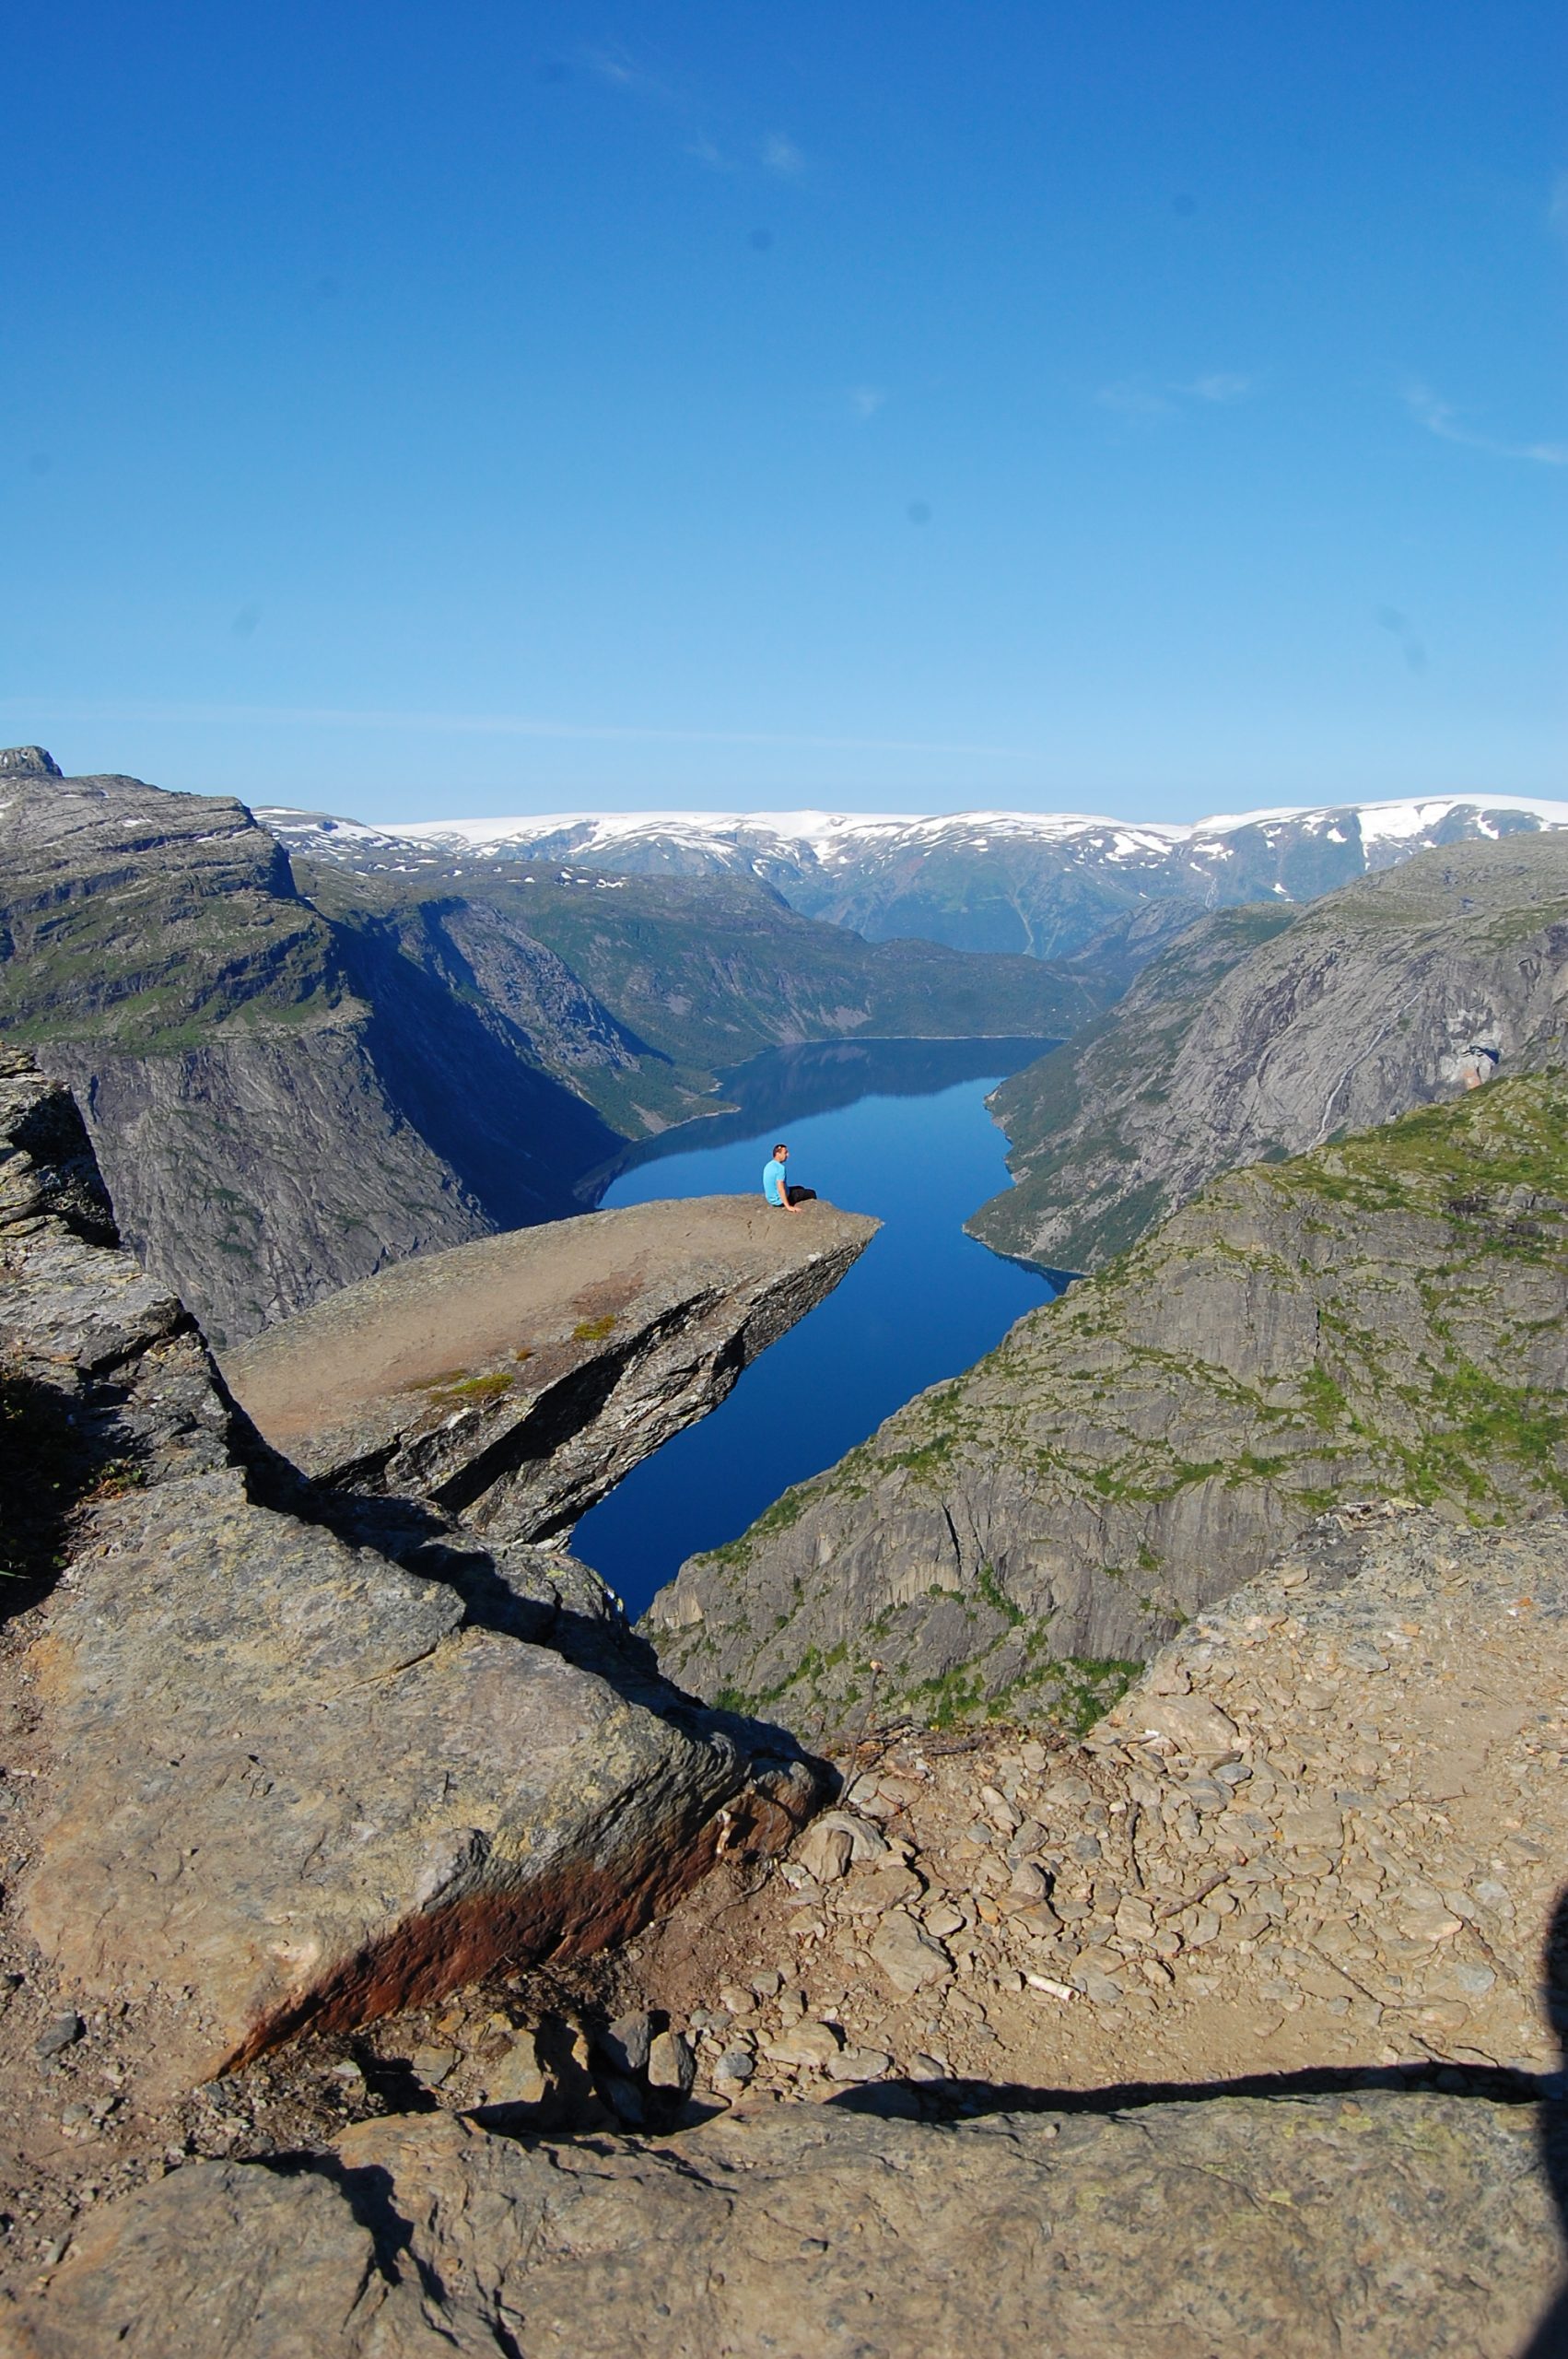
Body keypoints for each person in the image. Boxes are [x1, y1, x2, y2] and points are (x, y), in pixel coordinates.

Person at [762, 1142, 815, 1211]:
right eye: (785, 1153)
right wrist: (788, 1206)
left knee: (800, 1188)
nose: (788, 1155)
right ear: (778, 1154)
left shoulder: (768, 1165)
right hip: (779, 1201)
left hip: (771, 1199)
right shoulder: (780, 1168)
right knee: (811, 1193)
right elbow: (780, 1188)